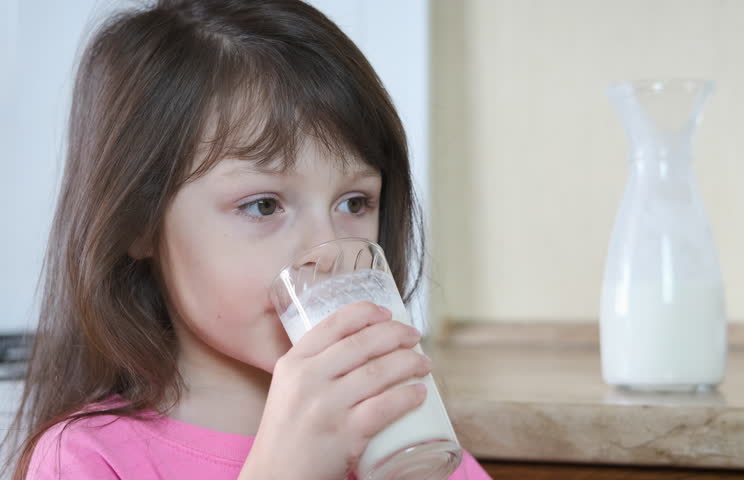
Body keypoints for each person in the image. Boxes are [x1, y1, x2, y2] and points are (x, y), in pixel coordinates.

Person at [3, 1, 491, 478]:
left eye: (354, 203)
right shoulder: (85, 459)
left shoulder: (402, 433)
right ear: (139, 223)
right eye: (264, 206)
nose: (327, 251)